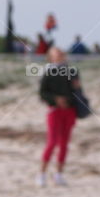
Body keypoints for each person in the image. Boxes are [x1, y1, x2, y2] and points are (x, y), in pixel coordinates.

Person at [37, 46, 79, 187]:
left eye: (61, 53)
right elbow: (42, 93)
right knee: (52, 142)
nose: (60, 55)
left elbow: (77, 91)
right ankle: (41, 174)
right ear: (51, 57)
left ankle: (59, 175)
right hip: (54, 111)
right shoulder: (47, 72)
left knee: (64, 144)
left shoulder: (71, 71)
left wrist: (75, 88)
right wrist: (56, 100)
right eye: (57, 53)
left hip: (69, 110)